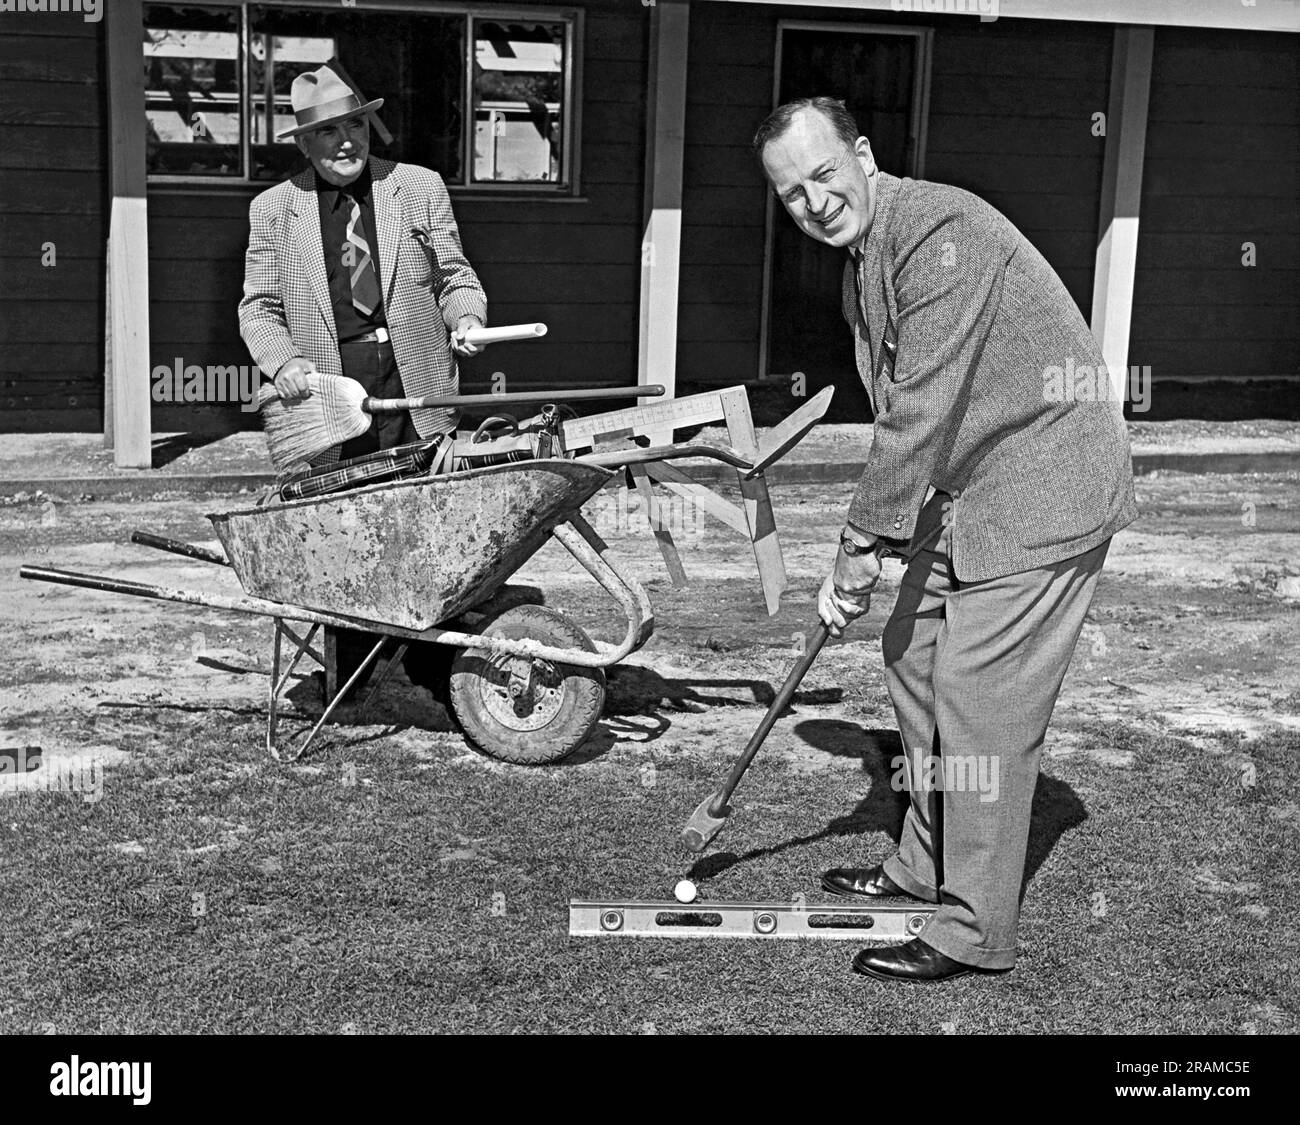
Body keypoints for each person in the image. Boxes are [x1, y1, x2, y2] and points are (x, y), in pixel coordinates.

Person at [755, 97, 1137, 982]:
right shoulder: (864, 262)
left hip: (1047, 479)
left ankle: (970, 928)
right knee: (912, 651)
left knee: (977, 695)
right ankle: (920, 868)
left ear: (864, 154)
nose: (813, 201)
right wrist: (887, 537)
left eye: (823, 173)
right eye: (791, 194)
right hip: (969, 479)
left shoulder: (939, 234)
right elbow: (911, 411)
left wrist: (857, 545)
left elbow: (919, 409)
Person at [239, 64, 489, 703]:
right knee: (346, 531)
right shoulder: (274, 211)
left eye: (353, 124)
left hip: (418, 385)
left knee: (432, 527)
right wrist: (284, 362)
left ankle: (442, 669)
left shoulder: (418, 188)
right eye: (327, 133)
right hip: (334, 399)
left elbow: (455, 275)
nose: (345, 142)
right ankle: (348, 671)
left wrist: (465, 317)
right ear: (303, 143)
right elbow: (258, 307)